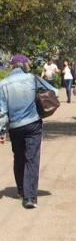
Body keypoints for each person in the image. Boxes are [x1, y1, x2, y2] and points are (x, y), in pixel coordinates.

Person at [0, 54, 58, 209]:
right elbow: (55, 92)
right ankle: (29, 198)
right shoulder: (33, 78)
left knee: (19, 157)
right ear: (25, 65)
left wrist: (1, 132)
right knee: (32, 158)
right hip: (33, 123)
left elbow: (2, 112)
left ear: (11, 66)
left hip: (15, 127)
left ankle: (20, 190)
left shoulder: (3, 84)